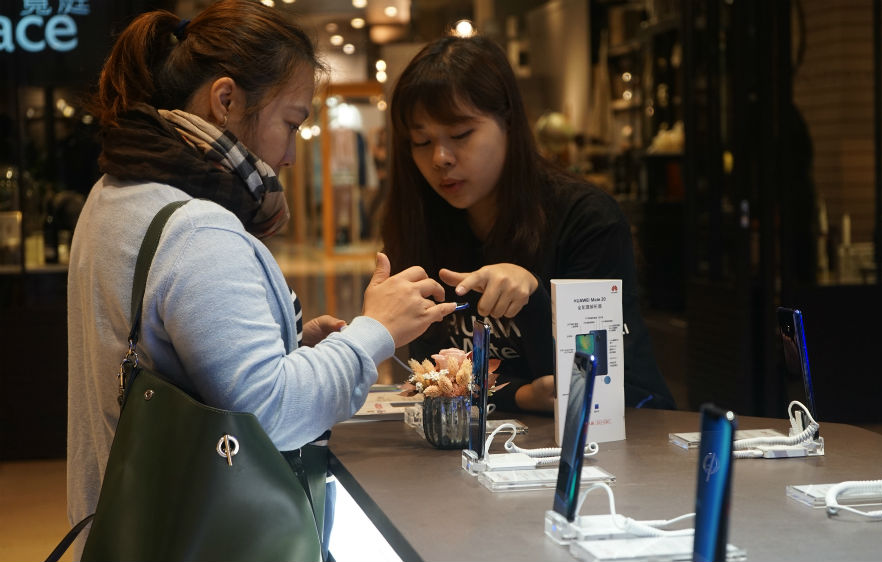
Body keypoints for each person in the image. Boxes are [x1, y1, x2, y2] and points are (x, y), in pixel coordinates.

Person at [66, 1, 455, 558]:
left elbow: (193, 374)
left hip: (123, 528)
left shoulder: (114, 195)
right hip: (192, 539)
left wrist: (298, 352)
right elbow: (268, 416)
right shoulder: (198, 229)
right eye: (291, 122)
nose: (291, 154)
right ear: (226, 101)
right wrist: (374, 331)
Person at [381, 35, 675, 413]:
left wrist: (535, 297)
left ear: (508, 122)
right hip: (489, 446)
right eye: (421, 141)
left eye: (460, 135)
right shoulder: (421, 219)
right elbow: (431, 378)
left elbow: (602, 384)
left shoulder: (586, 218)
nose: (440, 158)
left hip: (618, 441)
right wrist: (520, 396)